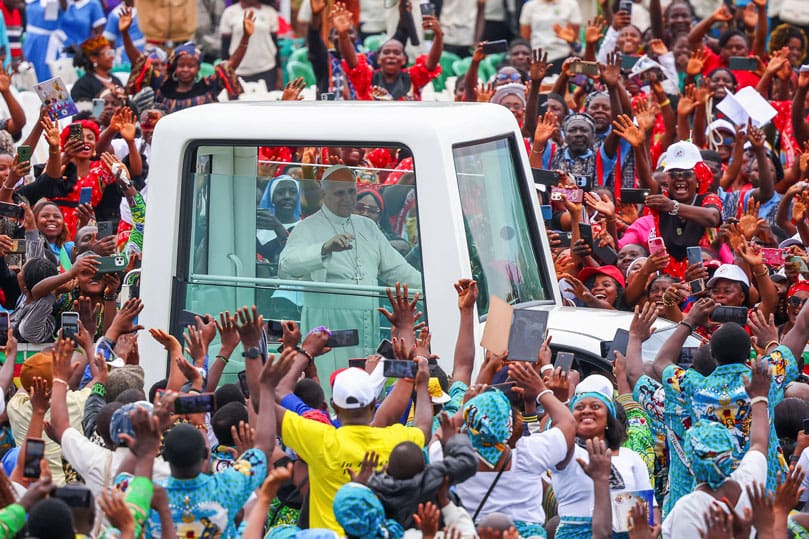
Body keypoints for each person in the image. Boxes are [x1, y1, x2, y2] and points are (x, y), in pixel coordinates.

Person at [278, 165, 421, 377]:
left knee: (367, 382)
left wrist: (431, 286)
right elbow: (286, 266)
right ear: (323, 193)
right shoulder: (307, 227)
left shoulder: (367, 227)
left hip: (366, 320)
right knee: (332, 381)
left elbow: (396, 270)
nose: (348, 198)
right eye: (339, 193)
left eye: (351, 191)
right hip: (331, 324)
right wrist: (324, 248)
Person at [121, 7, 253, 113]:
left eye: (191, 66)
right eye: (181, 65)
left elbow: (230, 65)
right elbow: (139, 62)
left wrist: (245, 37)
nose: (185, 69)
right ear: (174, 67)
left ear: (198, 69)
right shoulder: (162, 85)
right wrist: (125, 34)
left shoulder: (207, 86)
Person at [219, 0, 281, 90]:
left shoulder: (270, 12)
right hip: (237, 71)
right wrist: (226, 74)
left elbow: (275, 44)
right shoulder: (229, 13)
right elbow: (225, 48)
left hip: (266, 69)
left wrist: (279, 74)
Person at [69, 35, 125, 102]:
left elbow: (129, 107)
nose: (112, 57)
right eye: (108, 53)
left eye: (112, 52)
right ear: (93, 58)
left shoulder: (116, 80)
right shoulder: (82, 86)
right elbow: (84, 111)